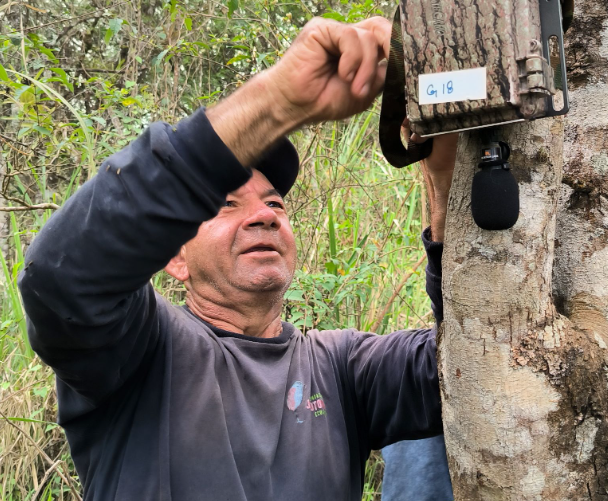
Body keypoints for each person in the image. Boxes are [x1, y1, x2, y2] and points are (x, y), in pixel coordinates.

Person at [18, 15, 457, 501]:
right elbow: (61, 281)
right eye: (226, 204)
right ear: (175, 258)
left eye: (275, 204)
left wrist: (443, 176)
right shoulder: (140, 352)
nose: (263, 217)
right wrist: (277, 102)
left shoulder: (341, 366)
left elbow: (465, 364)